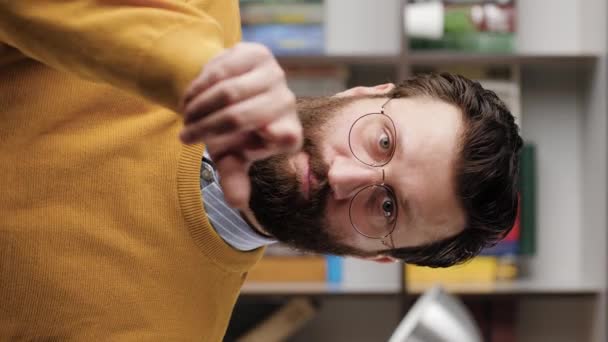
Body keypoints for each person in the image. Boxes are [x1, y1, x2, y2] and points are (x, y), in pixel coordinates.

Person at [0, 2, 521, 341]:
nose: (344, 176)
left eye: (386, 207)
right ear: (363, 94)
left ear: (376, 255)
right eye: (381, 141)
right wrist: (185, 65)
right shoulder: (192, 12)